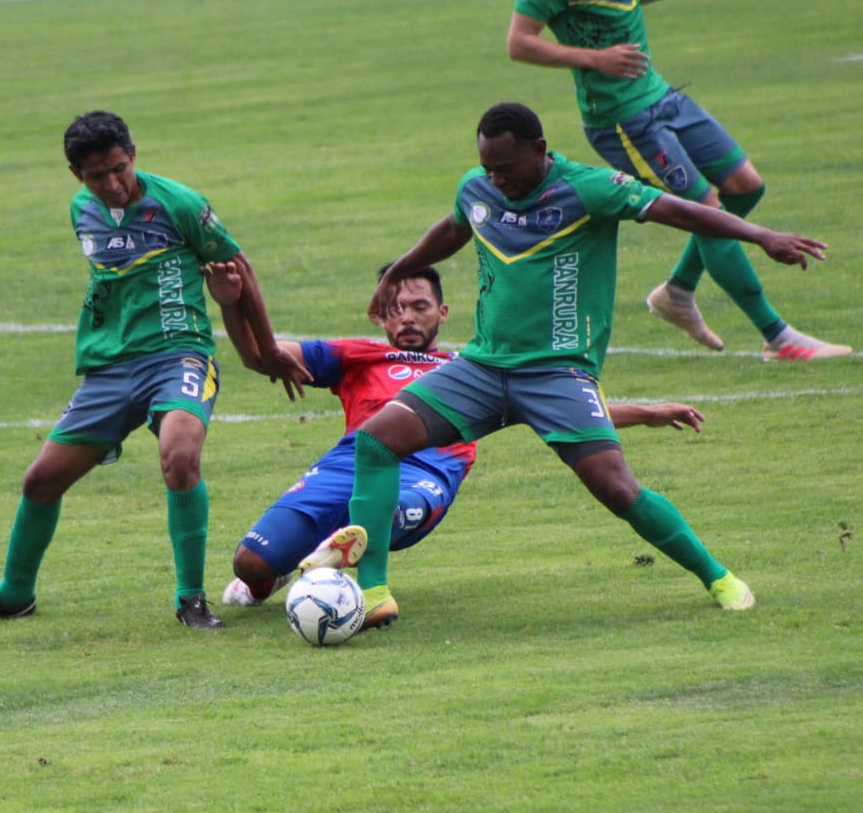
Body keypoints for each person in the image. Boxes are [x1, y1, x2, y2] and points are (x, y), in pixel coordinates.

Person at [328, 102, 827, 628]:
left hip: (557, 372)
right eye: (489, 168)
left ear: (539, 151)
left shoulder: (590, 188)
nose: (496, 180)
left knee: (617, 489)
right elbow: (456, 226)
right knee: (378, 438)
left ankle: (719, 577)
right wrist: (400, 270)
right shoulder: (477, 188)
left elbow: (678, 210)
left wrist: (761, 235)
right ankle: (375, 591)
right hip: (482, 366)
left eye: (507, 169)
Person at [0, 110, 309, 630]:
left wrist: (264, 351)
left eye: (119, 168)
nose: (112, 184)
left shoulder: (180, 204)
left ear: (133, 154)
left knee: (179, 455)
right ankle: (14, 592)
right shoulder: (81, 212)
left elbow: (237, 269)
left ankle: (191, 600)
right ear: (77, 177)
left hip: (179, 356)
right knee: (40, 480)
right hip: (110, 370)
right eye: (97, 176)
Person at [215, 262, 708, 629]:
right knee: (250, 562)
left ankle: (340, 563)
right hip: (348, 462)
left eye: (419, 306)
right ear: (380, 317)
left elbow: (566, 412)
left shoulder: (478, 371)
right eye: (394, 309)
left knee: (383, 515)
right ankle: (285, 572)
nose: (406, 317)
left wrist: (646, 413)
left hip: (427, 473)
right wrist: (231, 302)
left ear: (444, 312)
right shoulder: (358, 355)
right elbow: (262, 356)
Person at [506, 0, 851, 361]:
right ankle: (778, 336)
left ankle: (678, 291)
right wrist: (596, 58)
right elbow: (519, 43)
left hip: (662, 97)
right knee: (705, 211)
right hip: (622, 119)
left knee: (745, 187)